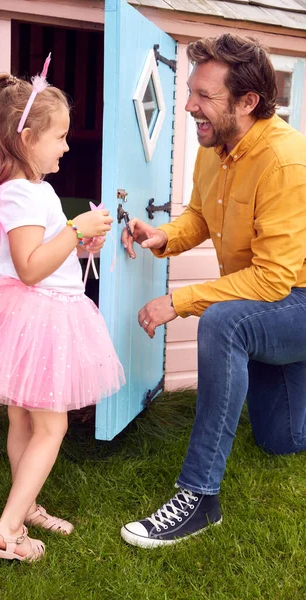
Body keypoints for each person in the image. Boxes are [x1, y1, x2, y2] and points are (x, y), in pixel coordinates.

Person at [0, 68, 125, 561]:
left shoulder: (33, 189)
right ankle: (8, 531)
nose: (67, 148)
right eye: (59, 137)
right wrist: (75, 230)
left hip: (40, 315)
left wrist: (77, 243)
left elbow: (40, 257)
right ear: (27, 138)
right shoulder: (20, 193)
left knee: (22, 419)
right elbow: (31, 269)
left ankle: (25, 503)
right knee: (51, 427)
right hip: (43, 318)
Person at [120, 33, 306, 548]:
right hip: (274, 300)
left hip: (296, 299)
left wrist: (178, 301)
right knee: (282, 442)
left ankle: (200, 497)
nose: (188, 105)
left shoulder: (286, 161)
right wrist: (164, 237)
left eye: (205, 96)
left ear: (248, 102)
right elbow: (202, 214)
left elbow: (272, 280)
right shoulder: (216, 145)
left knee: (225, 323)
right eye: (191, 91)